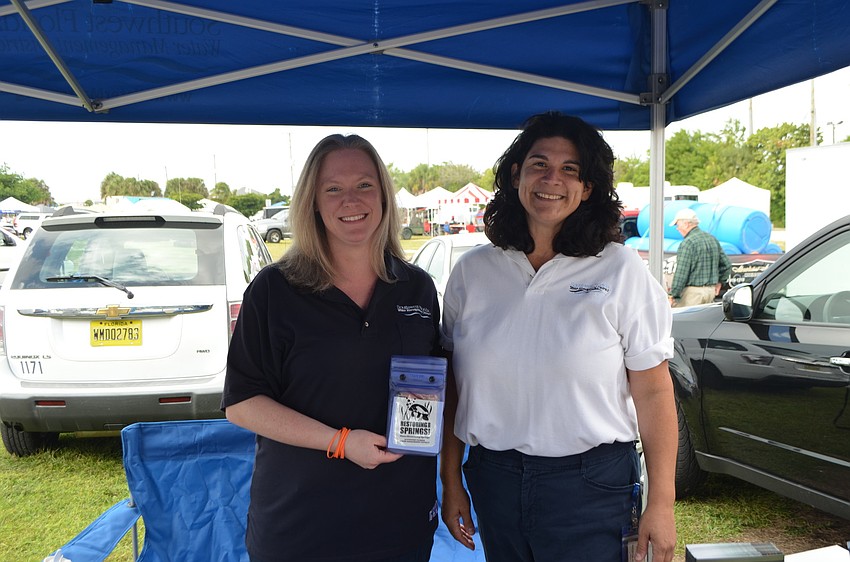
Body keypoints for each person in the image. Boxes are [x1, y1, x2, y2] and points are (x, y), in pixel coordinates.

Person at [439, 112, 678, 562]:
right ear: (516, 175)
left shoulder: (621, 269)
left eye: (571, 170)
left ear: (588, 188)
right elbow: (454, 386)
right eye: (538, 164)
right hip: (494, 478)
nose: (552, 179)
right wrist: (452, 481)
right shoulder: (473, 272)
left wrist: (662, 504)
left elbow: (653, 391)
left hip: (591, 486)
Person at [223, 134, 441, 562]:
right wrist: (341, 442)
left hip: (401, 522)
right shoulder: (274, 290)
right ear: (313, 203)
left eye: (364, 185)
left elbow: (427, 385)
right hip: (302, 525)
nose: (351, 200)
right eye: (333, 189)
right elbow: (242, 404)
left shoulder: (417, 286)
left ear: (383, 195)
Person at [668, 207, 732, 307]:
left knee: (684, 321)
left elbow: (681, 273)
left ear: (686, 224)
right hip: (710, 292)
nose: (677, 228)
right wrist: (720, 282)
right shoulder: (711, 239)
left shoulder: (687, 243)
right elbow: (727, 265)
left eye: (677, 224)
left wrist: (673, 295)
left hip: (692, 294)